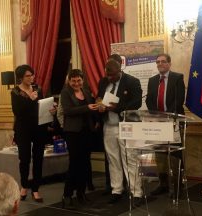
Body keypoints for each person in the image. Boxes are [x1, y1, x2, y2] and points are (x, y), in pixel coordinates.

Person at [96, 58, 143, 206]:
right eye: (108, 75)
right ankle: (117, 190)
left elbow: (137, 102)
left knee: (130, 159)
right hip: (108, 125)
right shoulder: (103, 82)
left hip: (126, 125)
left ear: (120, 70)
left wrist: (115, 107)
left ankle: (136, 193)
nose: (110, 78)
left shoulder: (132, 81)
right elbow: (98, 96)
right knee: (113, 160)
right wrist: (99, 104)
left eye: (113, 75)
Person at [145, 53, 185, 196]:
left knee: (175, 156)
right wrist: (155, 117)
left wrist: (168, 117)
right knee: (160, 155)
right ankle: (163, 184)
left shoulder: (177, 78)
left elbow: (179, 100)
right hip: (157, 123)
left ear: (169, 63)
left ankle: (178, 186)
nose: (160, 64)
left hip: (173, 122)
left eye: (162, 61)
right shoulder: (152, 80)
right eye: (157, 62)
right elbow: (149, 100)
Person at [11, 64, 50, 203]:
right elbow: (18, 111)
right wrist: (30, 100)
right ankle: (24, 186)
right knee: (25, 159)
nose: (31, 78)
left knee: (39, 158)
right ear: (21, 77)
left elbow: (42, 106)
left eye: (32, 75)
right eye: (28, 75)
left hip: (38, 128)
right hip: (23, 129)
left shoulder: (38, 88)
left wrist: (50, 109)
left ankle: (36, 189)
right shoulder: (15, 92)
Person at [61, 69, 99, 209]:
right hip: (72, 133)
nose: (76, 83)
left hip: (86, 132)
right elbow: (68, 111)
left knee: (84, 163)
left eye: (79, 80)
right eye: (73, 81)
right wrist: (87, 107)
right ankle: (67, 194)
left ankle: (81, 193)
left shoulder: (87, 92)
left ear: (83, 80)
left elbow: (91, 109)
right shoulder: (65, 93)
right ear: (69, 81)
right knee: (74, 164)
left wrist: (96, 115)